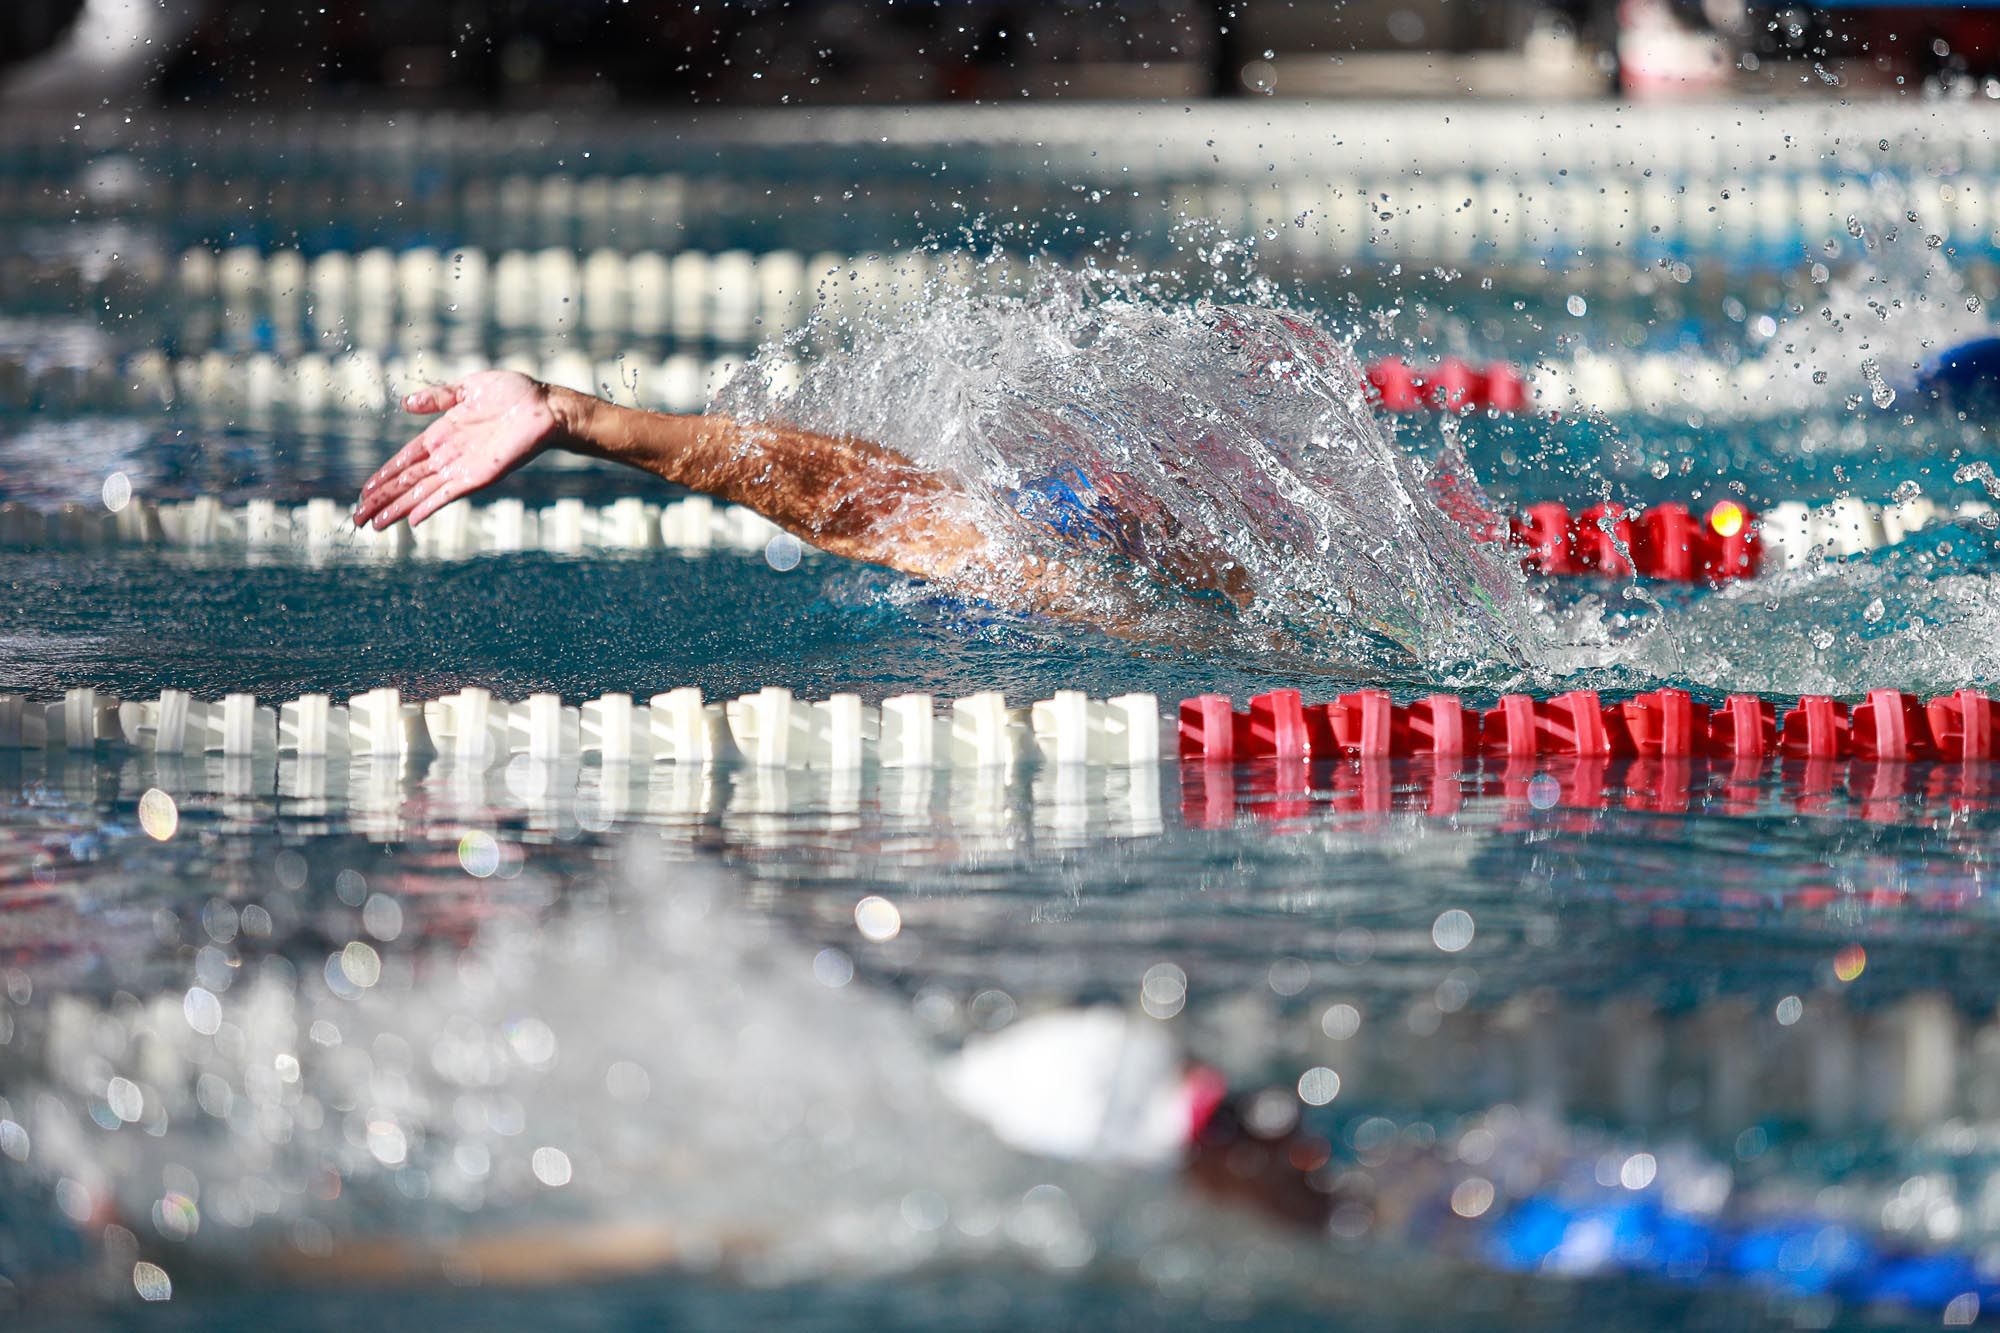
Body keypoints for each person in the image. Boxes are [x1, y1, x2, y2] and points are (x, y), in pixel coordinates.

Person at [352, 369, 1259, 616]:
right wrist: (573, 414)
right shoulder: (1039, 556)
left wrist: (578, 416)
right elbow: (867, 500)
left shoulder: (1088, 585)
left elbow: (868, 506)